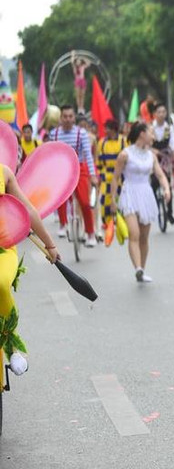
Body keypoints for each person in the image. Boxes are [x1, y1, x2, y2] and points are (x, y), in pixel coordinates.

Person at [1, 163, 61, 376]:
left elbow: (28, 210)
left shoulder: (4, 173)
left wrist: (49, 244)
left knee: (0, 284)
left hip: (3, 248)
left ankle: (12, 346)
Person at [112, 123, 171, 283]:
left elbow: (160, 175)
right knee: (134, 234)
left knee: (144, 237)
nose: (153, 137)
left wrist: (167, 189)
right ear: (142, 134)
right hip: (129, 193)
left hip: (146, 194)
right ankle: (137, 267)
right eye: (151, 133)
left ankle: (142, 270)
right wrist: (112, 201)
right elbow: (116, 178)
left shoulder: (151, 155)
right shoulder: (125, 155)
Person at [50, 105, 99, 246]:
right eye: (65, 116)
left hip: (79, 168)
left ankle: (90, 233)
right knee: (60, 199)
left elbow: (88, 155)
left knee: (84, 201)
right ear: (61, 118)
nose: (67, 119)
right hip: (62, 169)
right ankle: (63, 224)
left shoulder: (81, 133)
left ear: (74, 118)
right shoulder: (54, 134)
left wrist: (92, 175)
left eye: (70, 116)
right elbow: (52, 155)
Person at [97, 119, 128, 237]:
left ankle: (122, 222)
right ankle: (108, 223)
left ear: (113, 129)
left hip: (121, 176)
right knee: (105, 201)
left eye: (107, 128)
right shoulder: (102, 143)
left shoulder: (123, 141)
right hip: (107, 176)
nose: (105, 131)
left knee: (121, 199)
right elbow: (99, 161)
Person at [151, 102, 174, 225]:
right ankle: (155, 207)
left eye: (163, 112)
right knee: (154, 184)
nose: (161, 114)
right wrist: (154, 152)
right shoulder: (150, 128)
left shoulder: (169, 128)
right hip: (153, 157)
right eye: (159, 112)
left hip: (165, 158)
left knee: (167, 185)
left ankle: (170, 212)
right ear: (155, 114)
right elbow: (146, 145)